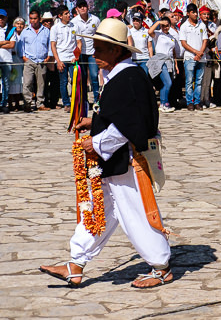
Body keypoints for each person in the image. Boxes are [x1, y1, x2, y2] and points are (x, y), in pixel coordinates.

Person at [40, 18, 172, 288]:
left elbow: (129, 124)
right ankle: (76, 263)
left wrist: (97, 144)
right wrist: (95, 122)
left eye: (100, 48)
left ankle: (161, 265)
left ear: (116, 50)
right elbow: (117, 116)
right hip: (114, 162)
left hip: (127, 162)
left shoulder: (128, 79)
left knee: (135, 211)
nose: (95, 54)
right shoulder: (123, 76)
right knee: (100, 209)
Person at [19, 9, 51, 112]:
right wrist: (24, 57)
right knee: (27, 83)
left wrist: (48, 56)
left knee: (41, 83)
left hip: (42, 60)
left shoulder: (46, 31)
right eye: (31, 19)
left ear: (39, 18)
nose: (33, 21)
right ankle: (27, 104)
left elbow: (50, 44)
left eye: (35, 18)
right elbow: (21, 46)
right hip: (29, 60)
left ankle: (40, 103)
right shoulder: (25, 31)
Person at [178, 3, 208, 111]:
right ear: (188, 13)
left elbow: (205, 40)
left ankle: (197, 102)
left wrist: (200, 53)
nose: (195, 14)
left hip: (201, 57)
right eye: (193, 12)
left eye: (196, 12)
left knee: (199, 81)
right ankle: (189, 102)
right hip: (190, 57)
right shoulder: (184, 26)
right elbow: (183, 43)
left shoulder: (202, 25)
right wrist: (195, 52)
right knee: (189, 81)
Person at [50, 5, 80, 110]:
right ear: (60, 16)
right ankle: (66, 103)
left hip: (72, 58)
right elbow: (53, 45)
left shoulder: (75, 26)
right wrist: (58, 61)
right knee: (63, 82)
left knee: (75, 81)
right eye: (66, 14)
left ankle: (75, 102)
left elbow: (79, 42)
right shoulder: (55, 28)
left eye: (68, 13)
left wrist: (77, 56)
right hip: (61, 58)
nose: (68, 15)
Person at [147, 16, 179, 112]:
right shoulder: (158, 34)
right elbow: (149, 31)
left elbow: (173, 52)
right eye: (163, 26)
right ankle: (163, 103)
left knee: (166, 83)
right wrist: (159, 22)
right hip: (160, 61)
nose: (165, 28)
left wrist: (176, 65)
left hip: (169, 61)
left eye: (167, 26)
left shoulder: (172, 37)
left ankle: (165, 102)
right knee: (167, 82)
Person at [0, 9, 15, 113]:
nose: (1, 19)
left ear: (6, 18)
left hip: (7, 59)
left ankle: (4, 103)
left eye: (2, 17)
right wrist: (5, 42)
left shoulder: (10, 30)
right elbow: (8, 44)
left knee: (6, 82)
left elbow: (12, 45)